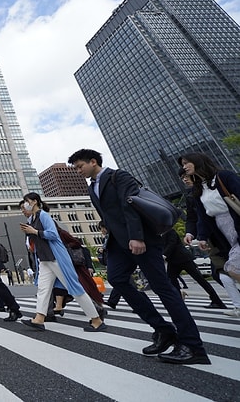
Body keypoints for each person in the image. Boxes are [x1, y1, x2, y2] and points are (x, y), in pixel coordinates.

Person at [69, 148, 209, 364]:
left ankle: (193, 346)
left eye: (80, 166)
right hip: (118, 243)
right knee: (116, 279)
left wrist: (137, 237)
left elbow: (130, 205)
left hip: (141, 240)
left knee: (163, 288)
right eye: (76, 168)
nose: (78, 171)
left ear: (93, 161)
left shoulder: (118, 176)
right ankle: (163, 330)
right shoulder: (92, 187)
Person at [18, 193, 106, 332]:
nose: (26, 205)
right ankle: (39, 319)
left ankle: (96, 320)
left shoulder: (44, 216)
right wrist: (31, 233)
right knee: (43, 289)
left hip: (56, 258)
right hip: (45, 259)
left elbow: (53, 234)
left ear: (35, 202)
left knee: (74, 288)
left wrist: (34, 231)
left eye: (27, 201)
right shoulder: (33, 218)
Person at [179, 168, 240, 317]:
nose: (185, 180)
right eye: (182, 178)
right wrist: (191, 233)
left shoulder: (217, 183)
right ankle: (237, 305)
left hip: (230, 230)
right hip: (213, 239)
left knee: (227, 270)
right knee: (221, 272)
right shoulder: (191, 195)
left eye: (187, 176)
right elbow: (194, 218)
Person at [161, 229, 226, 308]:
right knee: (171, 279)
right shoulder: (158, 234)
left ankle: (217, 301)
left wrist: (164, 255)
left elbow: (172, 243)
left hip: (184, 259)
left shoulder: (170, 231)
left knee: (200, 280)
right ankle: (178, 299)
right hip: (173, 261)